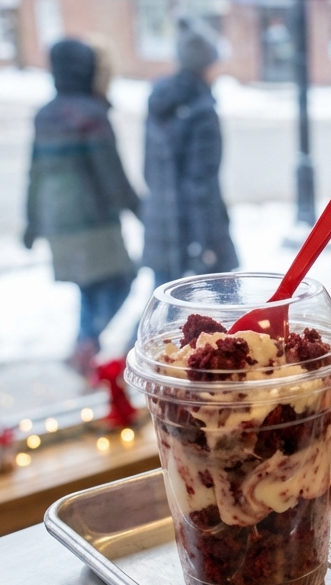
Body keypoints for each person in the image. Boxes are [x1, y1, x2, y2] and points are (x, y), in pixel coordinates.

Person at [23, 39, 141, 377]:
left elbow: (34, 172)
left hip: (55, 218)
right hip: (93, 218)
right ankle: (86, 342)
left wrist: (32, 223)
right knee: (122, 278)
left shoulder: (45, 115)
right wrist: (140, 211)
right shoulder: (91, 115)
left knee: (88, 287)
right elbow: (112, 174)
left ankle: (84, 345)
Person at [141, 21, 239, 288]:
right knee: (219, 311)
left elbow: (150, 170)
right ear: (207, 64)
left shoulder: (160, 103)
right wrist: (207, 243)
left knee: (163, 310)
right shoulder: (203, 113)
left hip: (162, 226)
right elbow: (201, 184)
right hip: (198, 230)